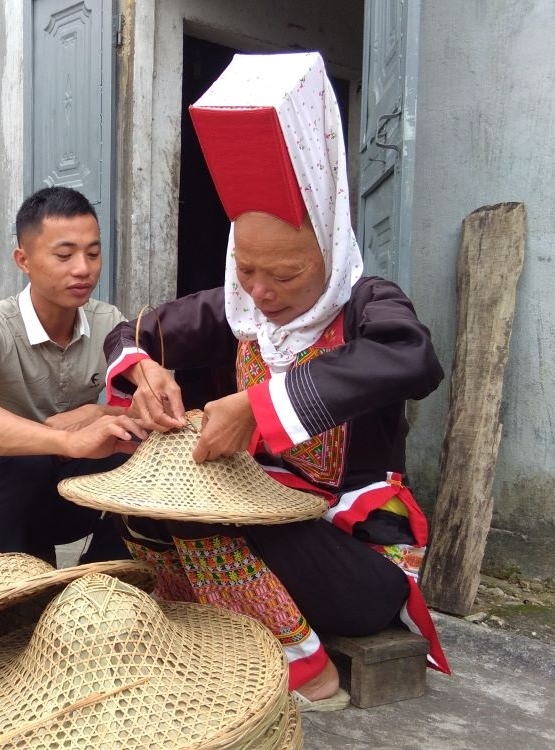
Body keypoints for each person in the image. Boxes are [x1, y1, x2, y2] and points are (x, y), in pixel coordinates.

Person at [103, 52, 451, 710]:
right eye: (246, 270)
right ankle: (209, 636)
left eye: (285, 275)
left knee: (205, 511)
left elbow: (412, 359)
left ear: (331, 250)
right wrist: (143, 368)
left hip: (354, 567)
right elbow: (131, 332)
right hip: (262, 536)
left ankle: (304, 670)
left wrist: (260, 407)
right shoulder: (240, 311)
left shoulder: (369, 303)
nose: (261, 293)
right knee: (140, 502)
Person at [0, 186, 146, 566]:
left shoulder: (108, 322)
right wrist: (65, 440)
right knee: (23, 459)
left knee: (137, 449)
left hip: (77, 500)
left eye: (93, 253)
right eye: (64, 255)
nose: (83, 269)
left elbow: (142, 408)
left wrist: (97, 413)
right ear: (24, 260)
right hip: (2, 500)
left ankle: (101, 577)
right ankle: (15, 575)